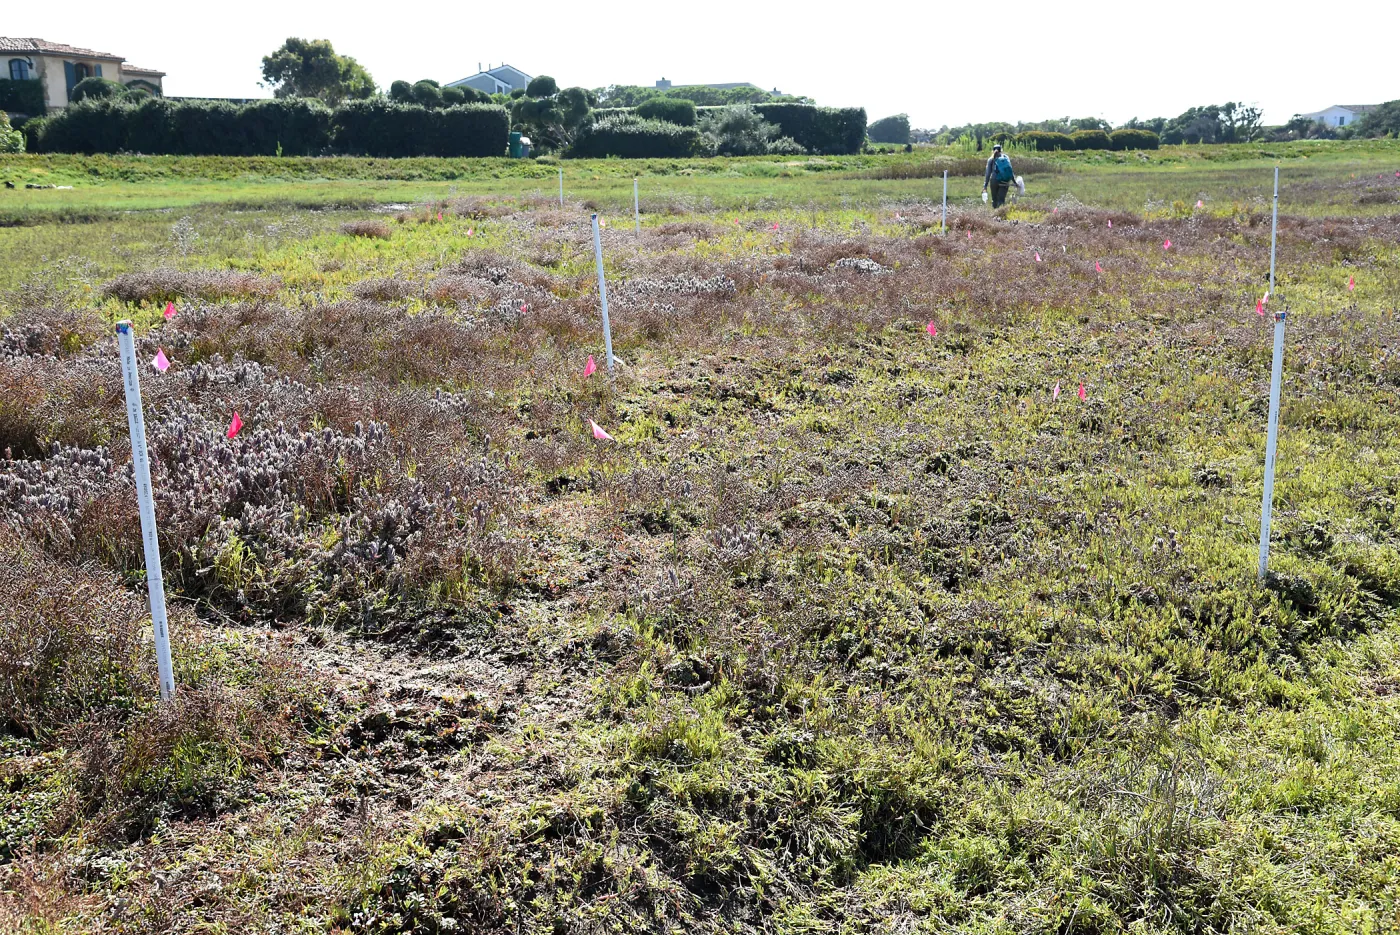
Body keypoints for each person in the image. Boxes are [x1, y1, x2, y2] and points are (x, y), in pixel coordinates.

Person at [982, 144, 1015, 209]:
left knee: (994, 200)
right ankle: (1001, 213)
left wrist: (985, 186)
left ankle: (995, 213)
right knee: (1001, 200)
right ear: (1001, 150)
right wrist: (1014, 182)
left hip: (994, 180)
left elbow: (988, 174)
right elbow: (1010, 171)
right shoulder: (1006, 158)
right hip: (1004, 181)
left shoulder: (991, 159)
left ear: (992, 151)